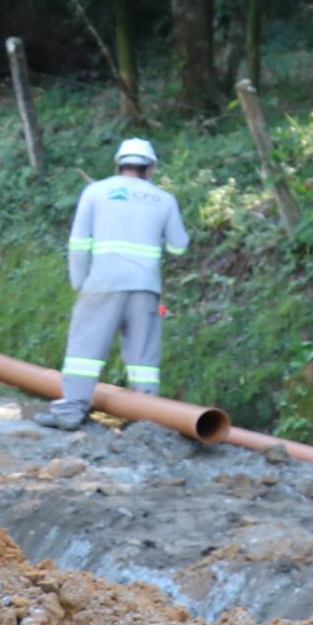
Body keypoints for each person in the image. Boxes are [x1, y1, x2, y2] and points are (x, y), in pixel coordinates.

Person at [43, 138, 189, 430]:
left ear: (118, 164)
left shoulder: (95, 192)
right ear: (152, 168)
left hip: (102, 283)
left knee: (85, 349)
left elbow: (79, 244)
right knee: (143, 357)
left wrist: (79, 282)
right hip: (145, 287)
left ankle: (72, 411)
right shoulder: (164, 199)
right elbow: (179, 246)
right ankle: (146, 417)